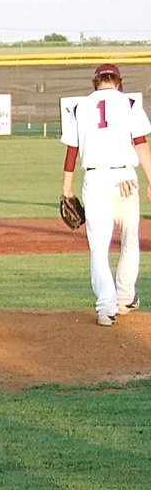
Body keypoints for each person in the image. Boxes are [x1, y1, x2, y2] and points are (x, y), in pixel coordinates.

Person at [61, 63, 151, 326]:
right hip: (125, 178)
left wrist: (67, 188)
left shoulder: (80, 107)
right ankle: (125, 298)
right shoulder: (130, 103)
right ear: (119, 82)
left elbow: (71, 151)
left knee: (99, 247)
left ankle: (105, 308)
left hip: (95, 178)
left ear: (95, 82)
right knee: (129, 240)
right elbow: (141, 145)